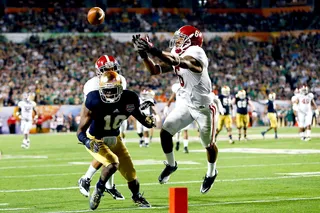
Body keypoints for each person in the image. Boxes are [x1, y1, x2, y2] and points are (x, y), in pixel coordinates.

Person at [132, 25, 219, 194]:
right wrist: (143, 54)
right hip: (186, 104)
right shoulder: (179, 52)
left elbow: (178, 61)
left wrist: (152, 49)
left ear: (191, 40)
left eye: (181, 38)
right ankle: (171, 165)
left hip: (204, 107)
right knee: (165, 132)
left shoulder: (196, 52)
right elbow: (154, 70)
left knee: (208, 145)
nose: (177, 40)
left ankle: (211, 172)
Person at [77, 71, 155, 210]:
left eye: (113, 90)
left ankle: (136, 197)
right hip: (96, 139)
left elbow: (141, 118)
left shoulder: (129, 98)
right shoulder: (93, 100)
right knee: (113, 163)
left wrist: (149, 121)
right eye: (106, 91)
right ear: (100, 89)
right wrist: (87, 142)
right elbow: (80, 132)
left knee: (131, 174)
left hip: (115, 139)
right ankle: (99, 190)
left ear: (120, 89)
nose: (110, 94)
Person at [78, 55, 127, 200]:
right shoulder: (91, 85)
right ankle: (86, 179)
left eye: (113, 68)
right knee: (106, 152)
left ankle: (108, 186)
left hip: (113, 118)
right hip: (96, 118)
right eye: (107, 69)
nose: (111, 71)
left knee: (113, 152)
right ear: (99, 71)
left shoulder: (121, 80)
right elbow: (91, 107)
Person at [164, 82, 192, 153]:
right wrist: (167, 106)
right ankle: (178, 141)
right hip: (180, 111)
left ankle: (185, 146)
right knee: (178, 130)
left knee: (185, 130)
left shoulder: (189, 86)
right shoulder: (178, 87)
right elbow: (172, 97)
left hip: (185, 111)